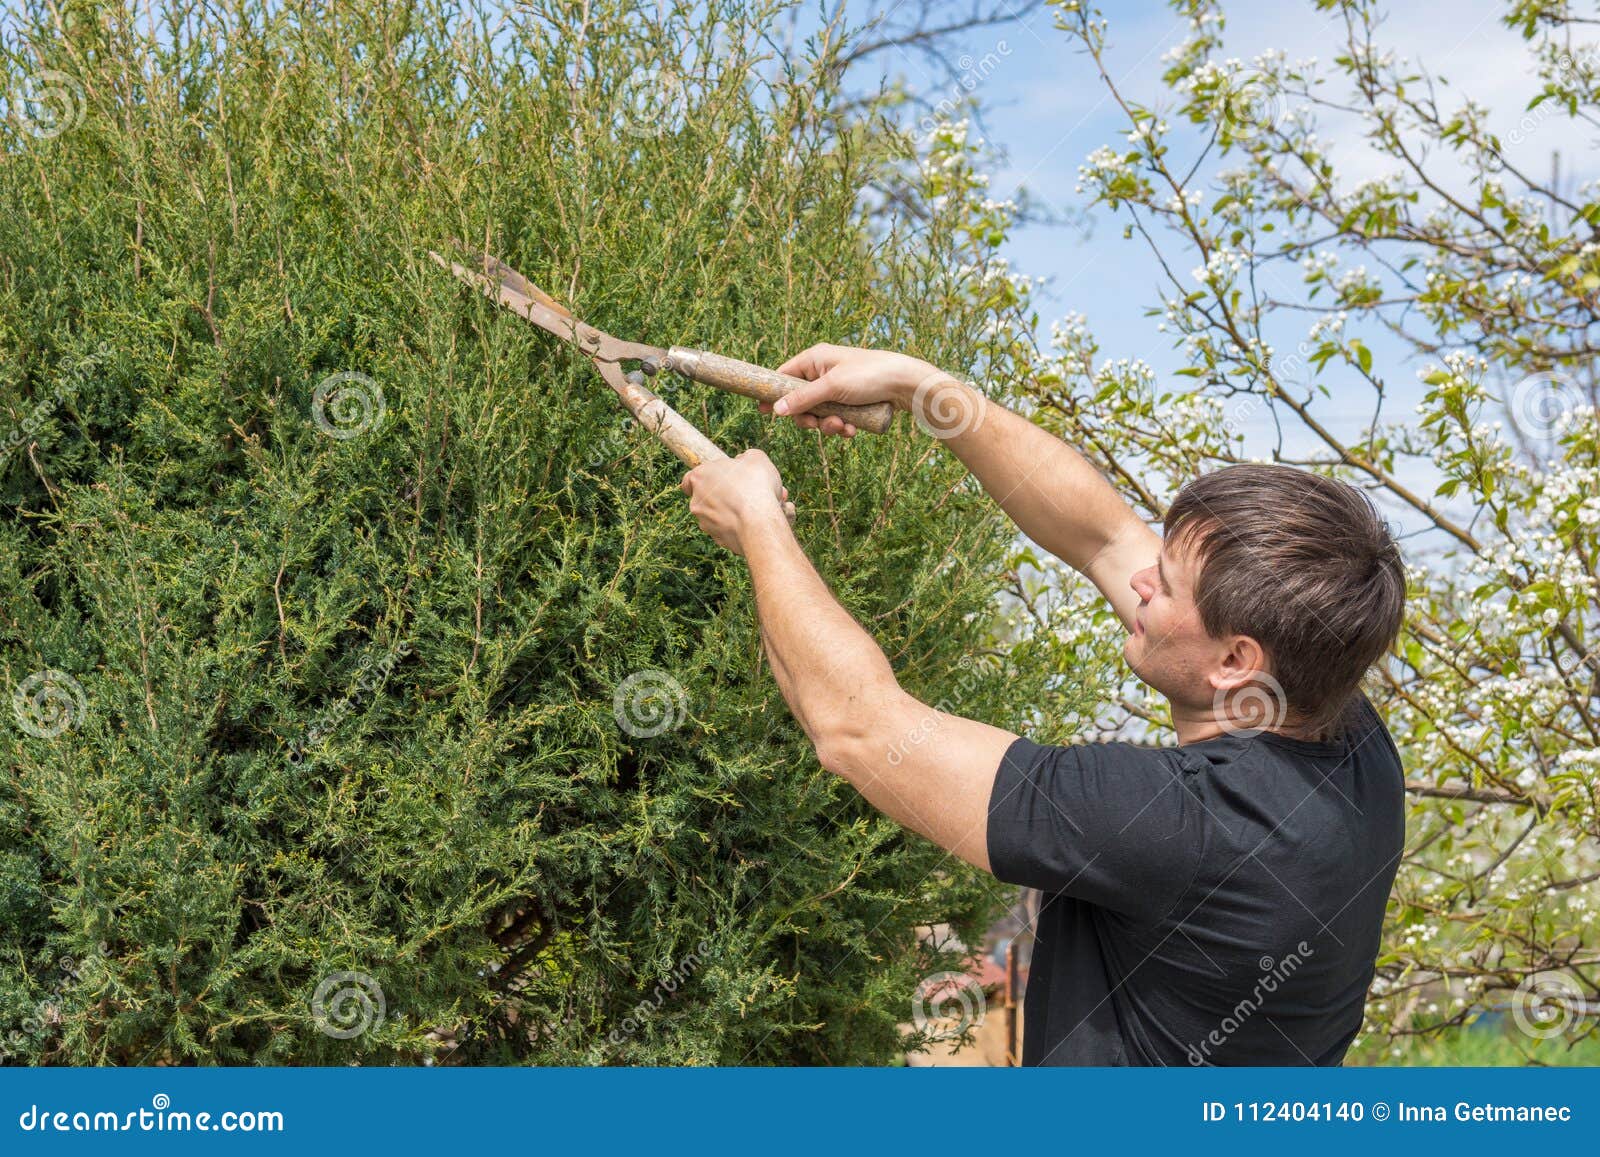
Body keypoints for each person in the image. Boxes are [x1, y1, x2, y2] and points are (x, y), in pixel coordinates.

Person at [678, 345, 1407, 1066]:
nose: (1142, 578)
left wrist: (758, 527)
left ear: (1236, 661)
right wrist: (918, 385)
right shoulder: (1349, 742)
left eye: (1168, 582)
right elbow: (1103, 537)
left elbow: (859, 728)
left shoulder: (1181, 825)